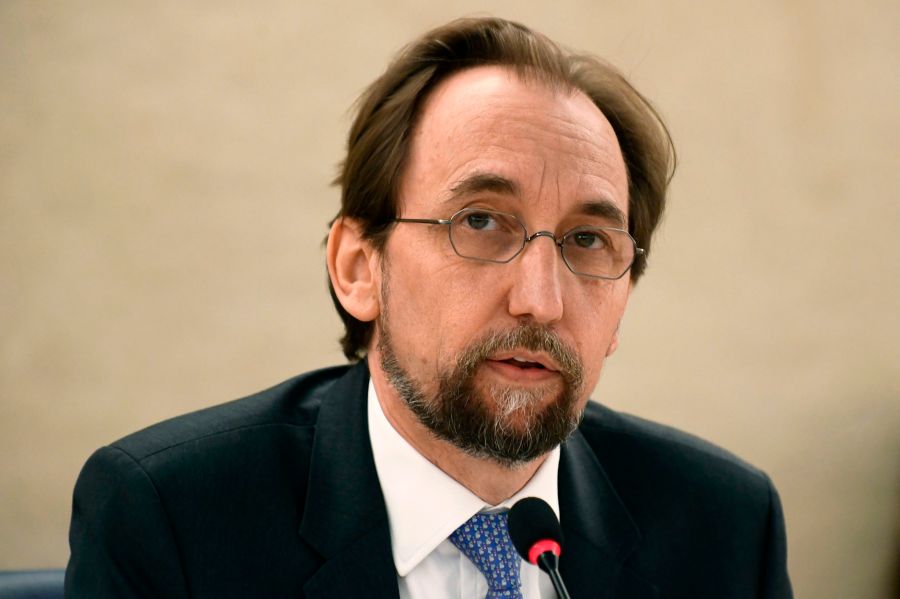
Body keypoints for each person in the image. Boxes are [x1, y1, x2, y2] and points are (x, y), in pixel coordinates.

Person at [65, 17, 792, 598]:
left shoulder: (724, 526)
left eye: (587, 241)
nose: (539, 299)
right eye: (480, 221)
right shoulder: (173, 519)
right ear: (359, 268)